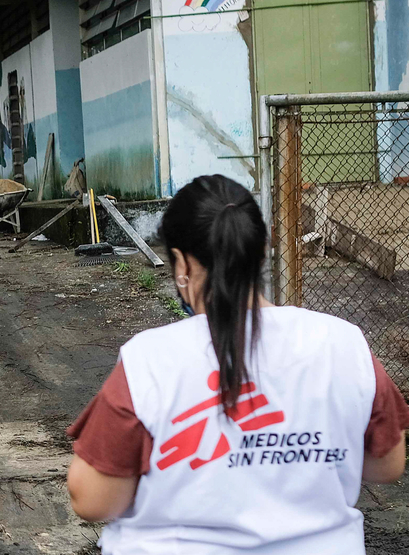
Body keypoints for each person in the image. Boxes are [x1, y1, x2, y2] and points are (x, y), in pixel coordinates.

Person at [65, 175, 409, 554]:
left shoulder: (149, 360)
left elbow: (92, 499)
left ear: (181, 264)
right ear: (261, 251)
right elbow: (386, 465)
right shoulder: (344, 344)